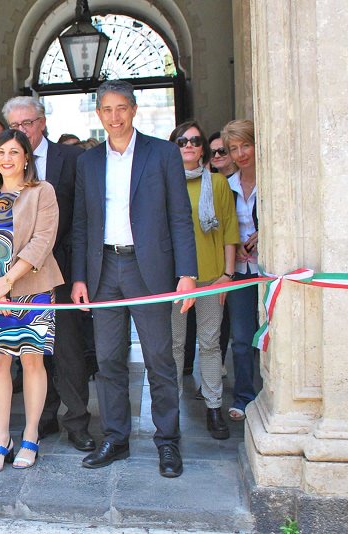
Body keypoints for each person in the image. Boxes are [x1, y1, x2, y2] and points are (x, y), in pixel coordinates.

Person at [71, 80, 197, 478]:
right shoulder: (87, 162)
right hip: (103, 269)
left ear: (134, 109)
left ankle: (167, 441)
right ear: (99, 114)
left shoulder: (162, 154)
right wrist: (78, 278)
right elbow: (80, 224)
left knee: (160, 358)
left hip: (150, 269)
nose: (115, 117)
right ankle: (116, 438)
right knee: (108, 359)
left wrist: (188, 273)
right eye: (107, 110)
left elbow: (180, 216)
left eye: (121, 108)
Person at [2, 96, 95, 452]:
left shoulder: (71, 159)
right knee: (33, 346)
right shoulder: (8, 164)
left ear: (42, 122)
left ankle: (77, 420)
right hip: (21, 273)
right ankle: (43, 416)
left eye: (28, 123)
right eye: (15, 126)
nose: (22, 131)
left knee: (69, 349)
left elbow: (84, 216)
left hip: (65, 269)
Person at [0, 129, 63, 473]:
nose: (6, 159)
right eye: (0, 153)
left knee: (31, 362)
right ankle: (0, 440)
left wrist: (9, 280)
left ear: (26, 157)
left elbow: (43, 241)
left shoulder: (42, 192)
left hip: (34, 290)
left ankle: (30, 436)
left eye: (13, 152)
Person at [168, 120, 239, 440]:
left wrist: (227, 274)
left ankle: (213, 407)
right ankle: (169, 412)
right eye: (182, 141)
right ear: (175, 145)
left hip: (211, 276)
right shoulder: (165, 182)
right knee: (174, 345)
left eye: (196, 141)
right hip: (174, 279)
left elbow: (229, 230)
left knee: (210, 344)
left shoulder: (218, 183)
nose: (190, 146)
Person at [221, 119, 260, 423]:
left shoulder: (272, 182)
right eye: (234, 148)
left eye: (245, 145)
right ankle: (245, 396)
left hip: (271, 271)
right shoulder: (227, 186)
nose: (240, 153)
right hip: (240, 271)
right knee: (242, 337)